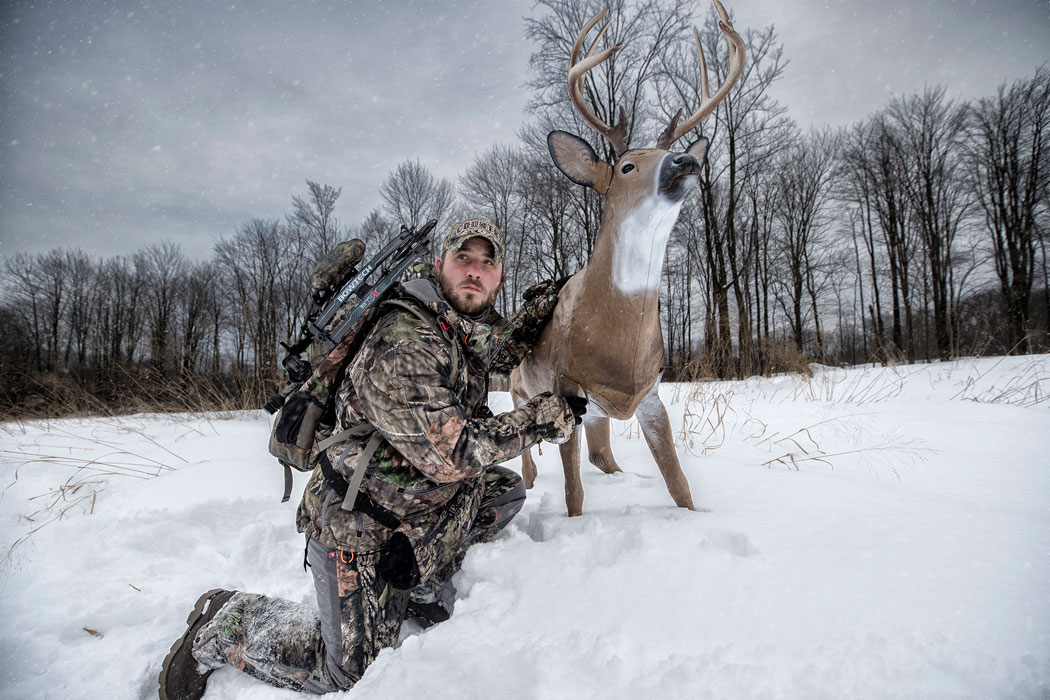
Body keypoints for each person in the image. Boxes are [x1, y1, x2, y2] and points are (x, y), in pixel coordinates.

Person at [159, 217, 586, 699]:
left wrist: (547, 303)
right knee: (350, 676)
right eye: (463, 258)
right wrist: (544, 417)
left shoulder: (457, 326)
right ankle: (226, 623)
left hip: (422, 504)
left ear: (499, 277)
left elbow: (500, 350)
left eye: (487, 263)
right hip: (361, 518)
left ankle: (415, 588)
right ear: (440, 263)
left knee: (502, 491)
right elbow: (455, 453)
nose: (474, 270)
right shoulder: (405, 340)